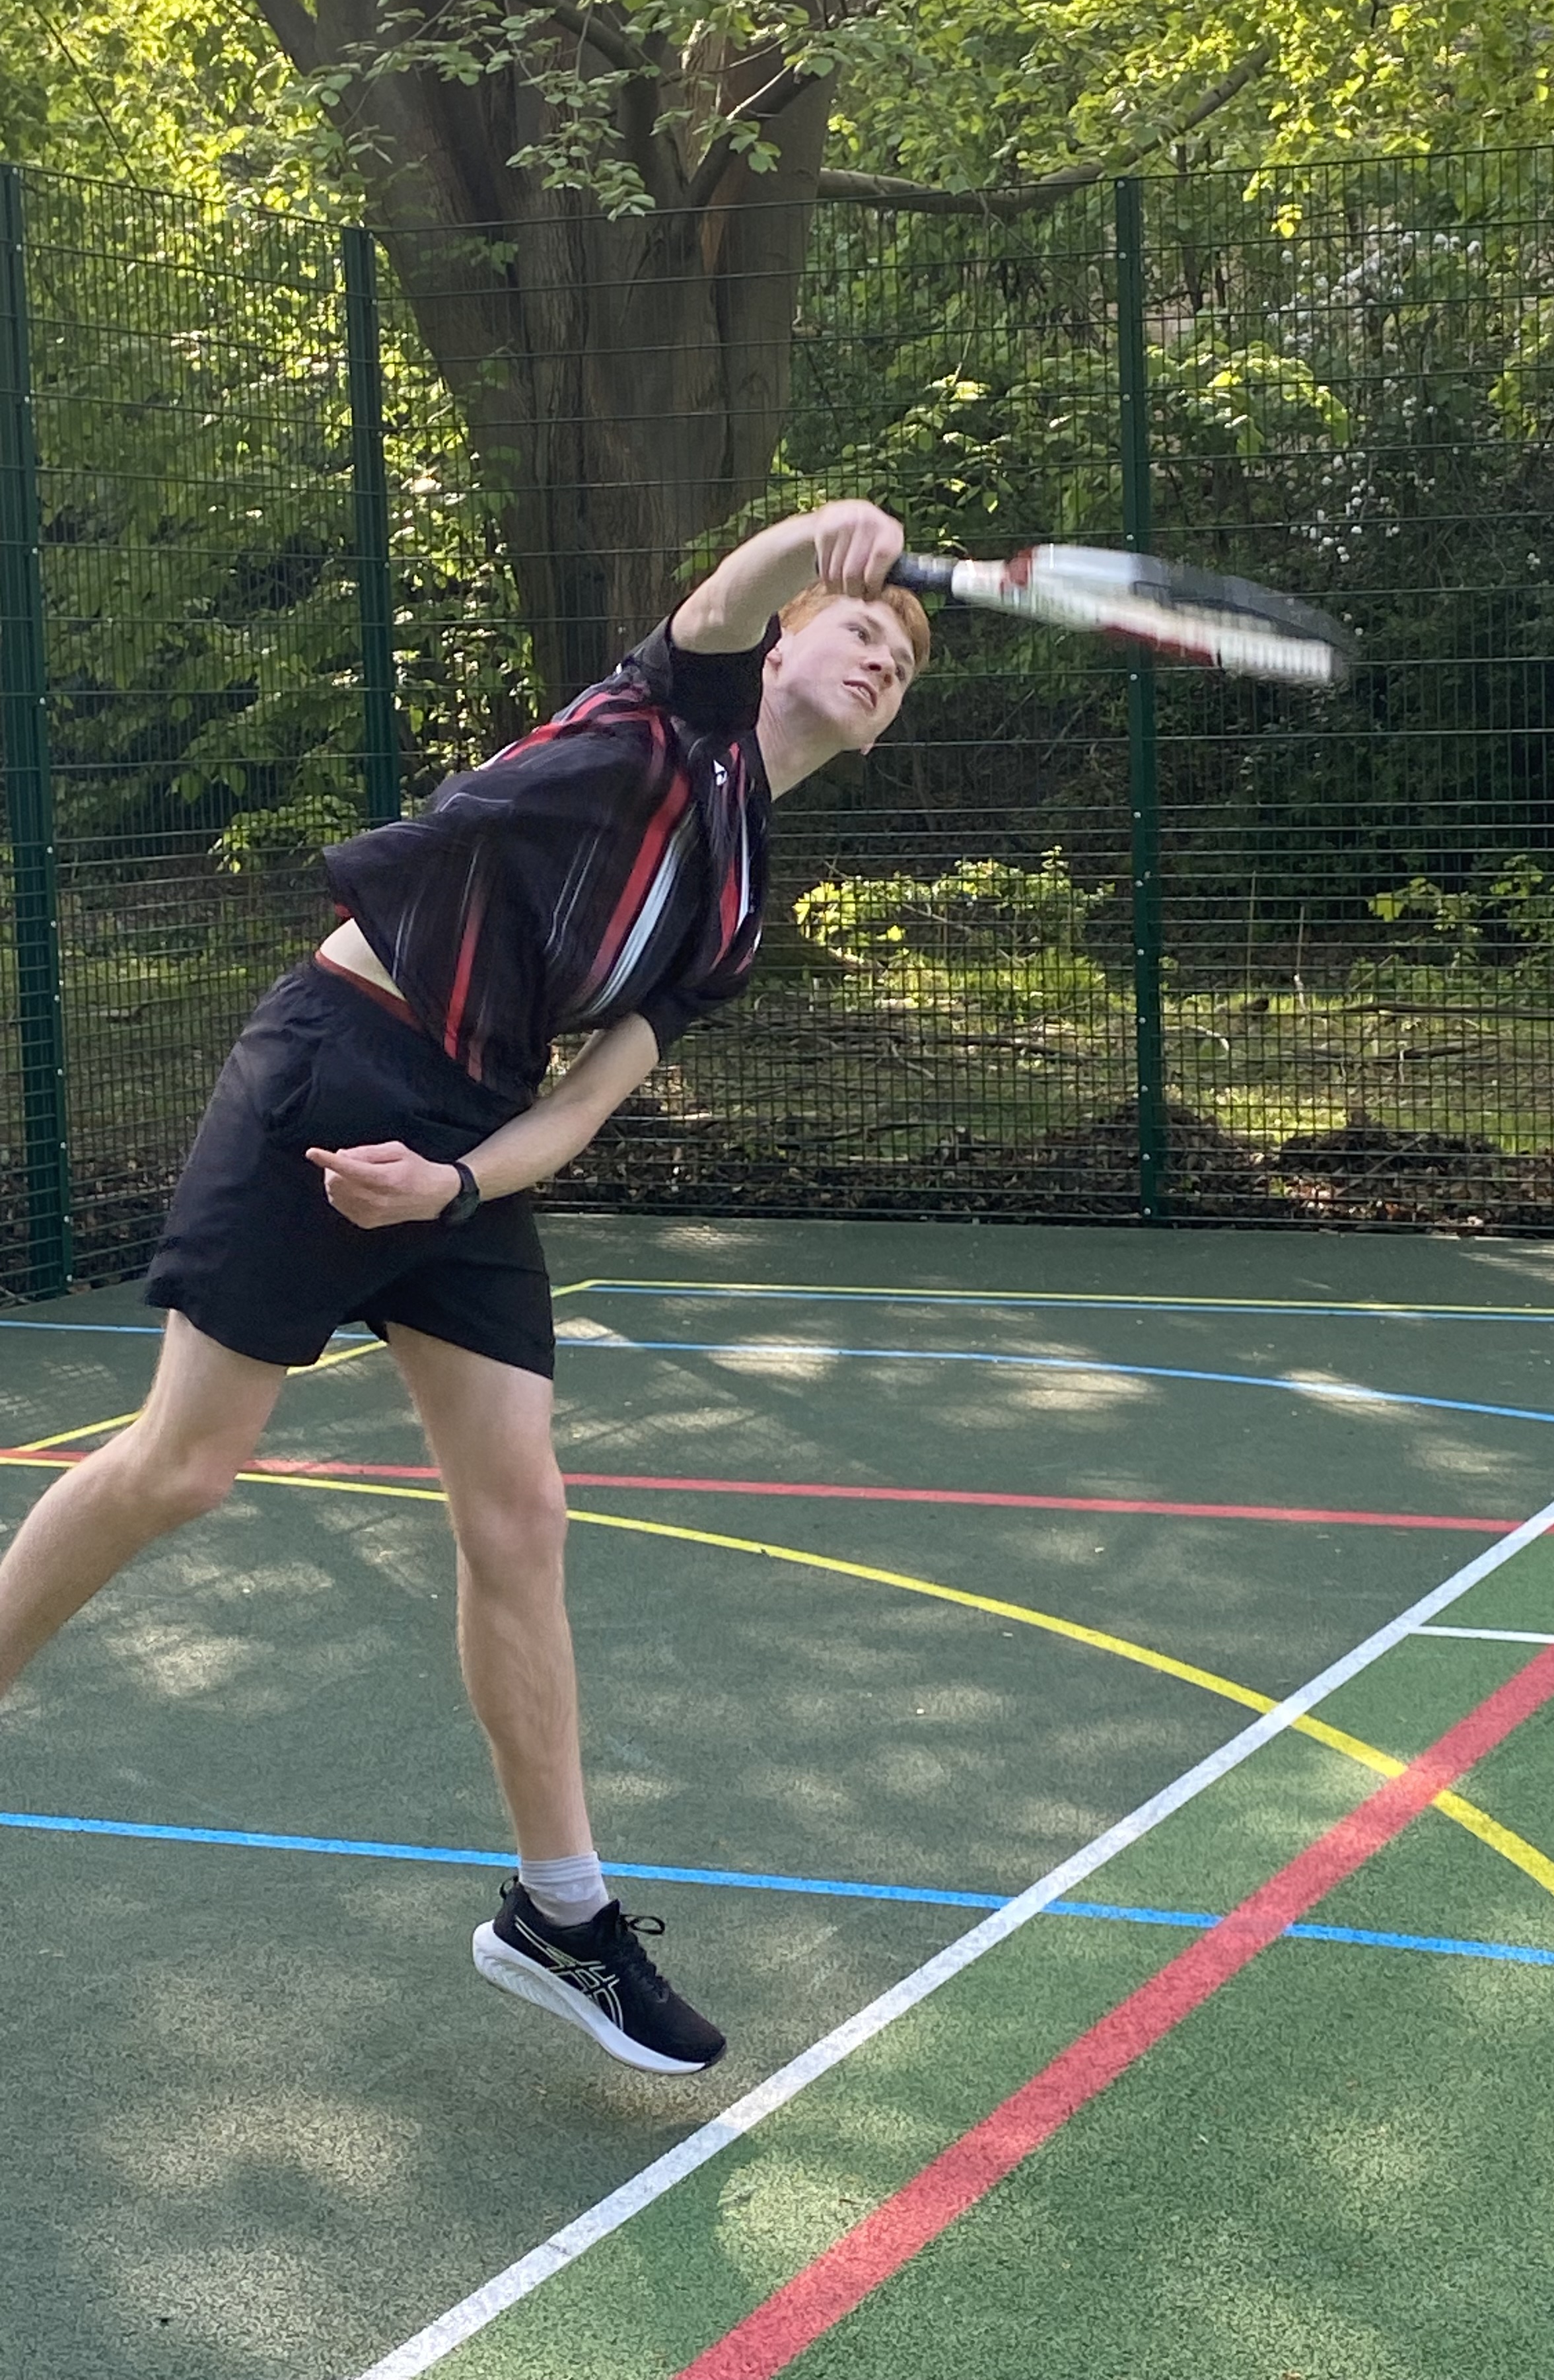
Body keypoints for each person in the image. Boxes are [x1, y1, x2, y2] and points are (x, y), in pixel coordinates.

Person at [0, 500, 927, 2077]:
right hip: (340, 1057)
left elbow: (580, 1109)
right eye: (864, 628)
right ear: (791, 635)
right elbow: (722, 590)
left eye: (904, 667)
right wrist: (835, 532)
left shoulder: (741, 904)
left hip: (468, 1137)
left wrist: (451, 1186)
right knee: (187, 1467)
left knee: (522, 1515)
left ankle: (561, 1917)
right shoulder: (670, 716)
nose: (880, 659)